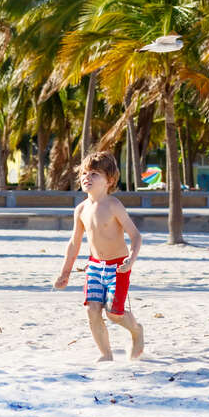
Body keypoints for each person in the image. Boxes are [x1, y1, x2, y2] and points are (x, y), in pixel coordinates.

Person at [54, 151, 145, 361]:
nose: (87, 177)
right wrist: (65, 272)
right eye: (85, 173)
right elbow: (74, 243)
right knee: (92, 310)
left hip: (118, 267)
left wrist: (130, 260)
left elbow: (136, 236)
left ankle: (136, 330)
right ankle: (106, 354)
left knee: (114, 313)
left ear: (109, 181)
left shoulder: (114, 205)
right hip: (94, 267)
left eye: (94, 173)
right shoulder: (81, 209)